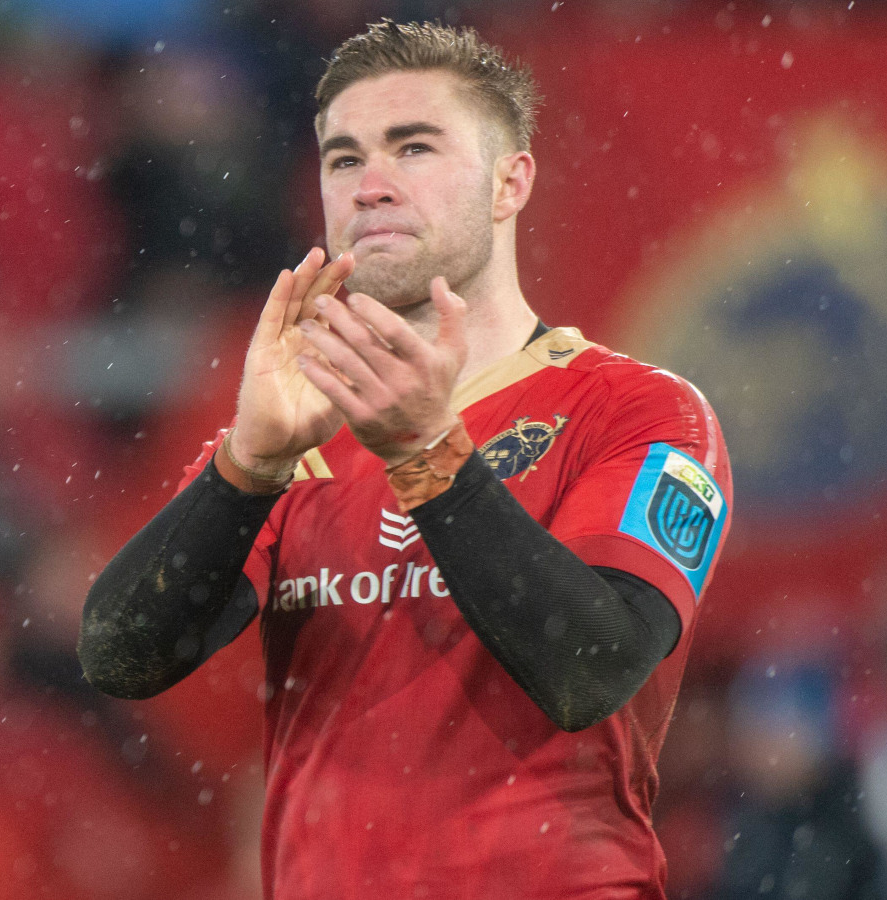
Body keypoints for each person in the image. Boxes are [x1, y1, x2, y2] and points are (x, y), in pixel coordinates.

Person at [79, 20, 732, 899]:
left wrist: (429, 456)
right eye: (344, 160)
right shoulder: (297, 434)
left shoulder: (639, 413)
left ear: (512, 181)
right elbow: (122, 658)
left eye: (413, 148)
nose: (372, 185)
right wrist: (245, 466)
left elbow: (589, 669)